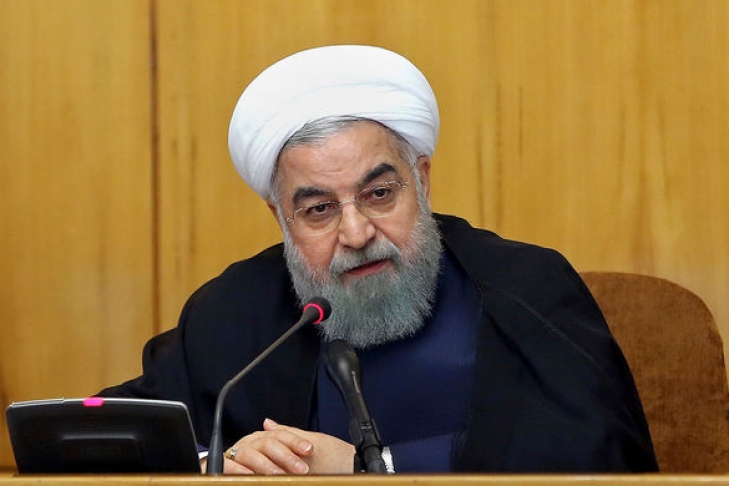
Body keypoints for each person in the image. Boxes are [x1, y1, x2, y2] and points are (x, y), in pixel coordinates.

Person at [99, 45, 659, 474]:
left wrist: (370, 467)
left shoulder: (525, 287)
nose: (357, 232)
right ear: (281, 218)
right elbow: (104, 436)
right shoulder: (236, 311)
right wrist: (212, 465)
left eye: (379, 194)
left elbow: (598, 453)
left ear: (422, 180)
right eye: (319, 209)